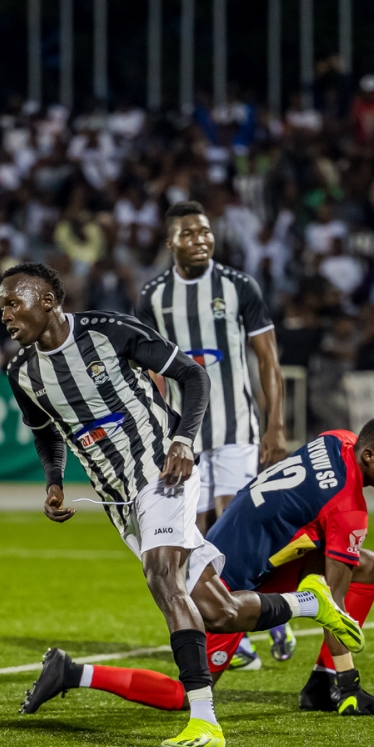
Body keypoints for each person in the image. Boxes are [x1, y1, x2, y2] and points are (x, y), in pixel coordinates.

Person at [0, 262, 362, 747]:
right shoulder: (22, 371)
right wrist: (55, 482)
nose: (4, 314)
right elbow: (45, 433)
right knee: (218, 611)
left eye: (11, 303)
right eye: (1, 306)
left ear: (46, 301)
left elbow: (192, 376)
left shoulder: (110, 332)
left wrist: (183, 441)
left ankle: (205, 721)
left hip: (161, 472)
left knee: (161, 577)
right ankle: (311, 602)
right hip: (116, 496)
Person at [135, 200, 291, 668]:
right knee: (192, 537)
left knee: (231, 531)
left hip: (236, 429)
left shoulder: (238, 286)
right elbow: (147, 370)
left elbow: (268, 360)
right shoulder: (153, 297)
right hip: (184, 435)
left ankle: (256, 625)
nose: (200, 240)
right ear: (171, 242)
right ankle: (247, 622)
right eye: (189, 234)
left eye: (205, 232)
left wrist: (275, 425)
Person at [202, 418, 374, 714]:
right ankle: (108, 676)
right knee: (186, 696)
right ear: (369, 456)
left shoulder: (337, 438)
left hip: (215, 546)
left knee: (364, 564)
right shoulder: (349, 508)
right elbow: (333, 604)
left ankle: (322, 683)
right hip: (228, 585)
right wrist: (349, 682)